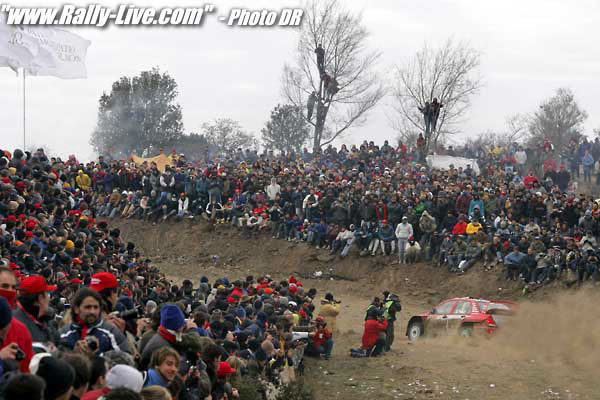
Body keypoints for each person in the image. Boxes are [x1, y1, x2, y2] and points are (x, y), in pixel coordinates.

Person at [59, 288, 131, 354]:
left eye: (96, 307)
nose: (92, 311)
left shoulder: (111, 333)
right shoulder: (63, 334)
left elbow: (125, 360)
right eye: (88, 307)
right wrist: (74, 355)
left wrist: (97, 355)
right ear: (76, 309)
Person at [15, 276, 60, 347]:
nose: (49, 299)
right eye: (47, 294)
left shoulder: (42, 320)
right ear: (40, 298)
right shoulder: (18, 325)